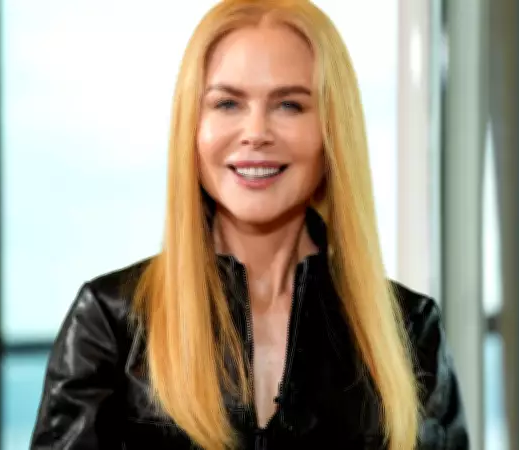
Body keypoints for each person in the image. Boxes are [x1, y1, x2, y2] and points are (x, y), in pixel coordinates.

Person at [30, 1, 468, 449]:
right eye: (227, 103)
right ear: (192, 127)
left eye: (290, 105)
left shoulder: (411, 332)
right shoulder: (109, 323)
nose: (256, 132)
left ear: (332, 130)